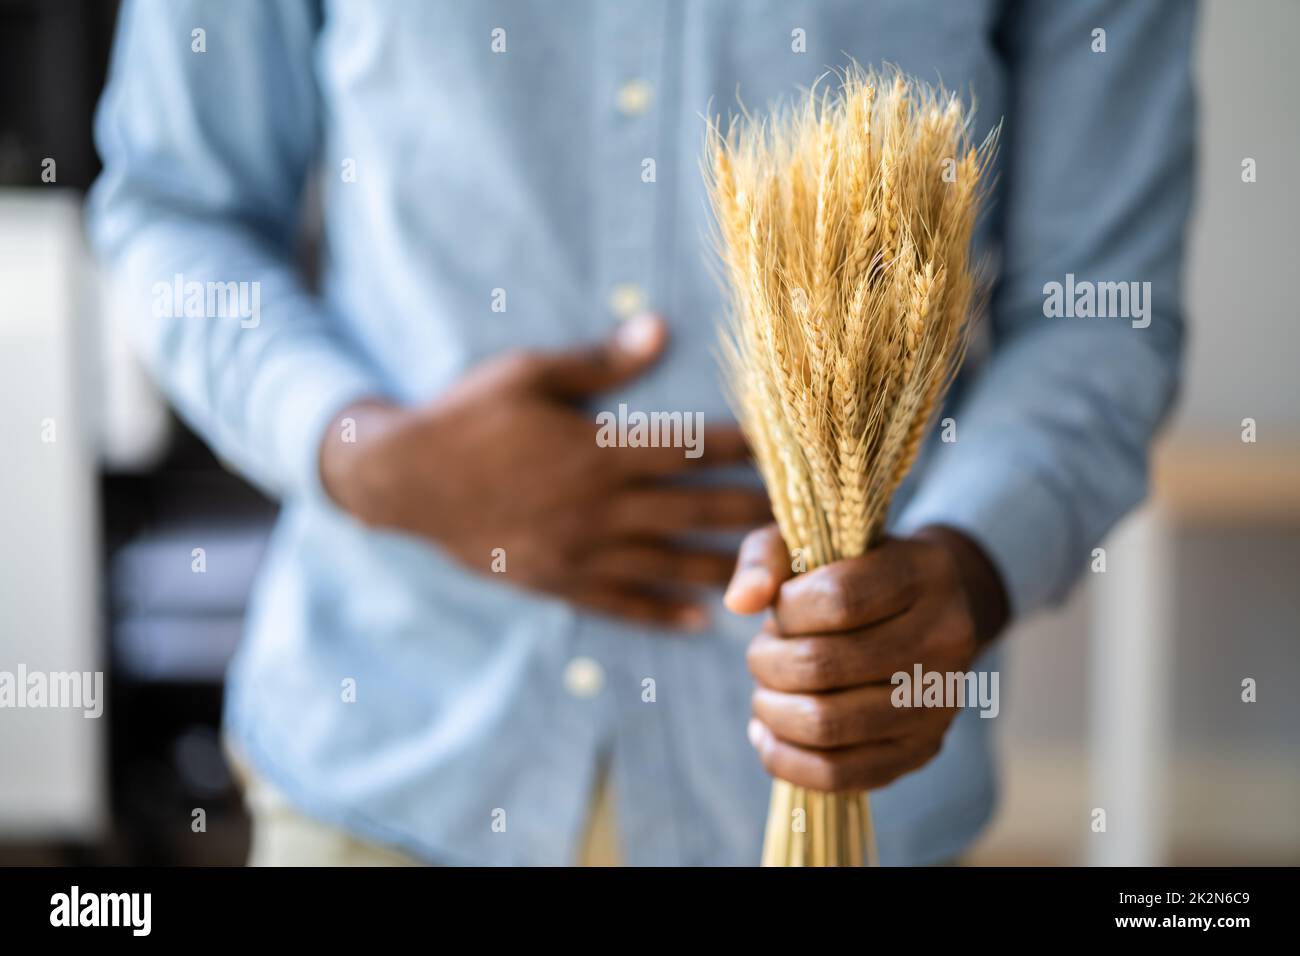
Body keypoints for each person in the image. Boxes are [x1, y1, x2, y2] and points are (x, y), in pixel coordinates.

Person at [89, 0, 1195, 866]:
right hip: (392, 741)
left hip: (861, 803)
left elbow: (1101, 313)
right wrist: (377, 457)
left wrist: (965, 568)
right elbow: (174, 208)